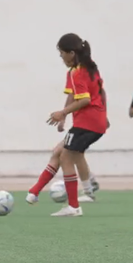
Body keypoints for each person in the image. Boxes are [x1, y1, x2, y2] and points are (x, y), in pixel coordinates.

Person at [45, 33, 108, 217]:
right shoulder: (90, 67)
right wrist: (104, 113)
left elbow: (85, 99)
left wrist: (62, 113)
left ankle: (74, 206)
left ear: (71, 53)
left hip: (87, 121)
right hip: (94, 120)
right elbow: (93, 93)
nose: (61, 56)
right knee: (75, 153)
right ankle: (88, 188)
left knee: (66, 155)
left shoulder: (76, 72)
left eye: (62, 53)